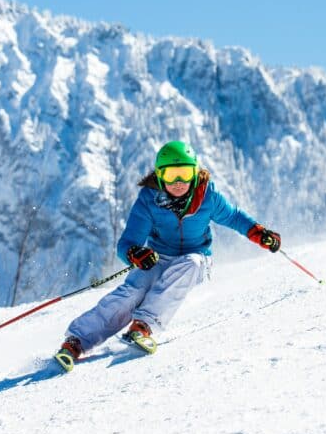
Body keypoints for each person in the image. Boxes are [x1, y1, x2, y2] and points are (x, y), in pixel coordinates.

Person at [54, 140, 281, 371]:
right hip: (158, 257)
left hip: (197, 256)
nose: (179, 182)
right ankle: (76, 342)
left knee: (190, 263)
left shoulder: (207, 196)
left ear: (195, 172)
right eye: (172, 175)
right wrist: (135, 253)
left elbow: (233, 217)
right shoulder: (149, 200)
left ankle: (143, 326)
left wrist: (258, 233)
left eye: (185, 173)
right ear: (160, 175)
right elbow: (127, 242)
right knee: (132, 291)